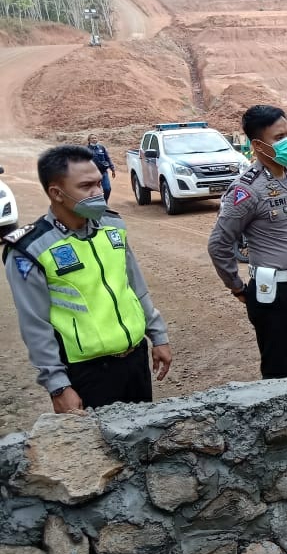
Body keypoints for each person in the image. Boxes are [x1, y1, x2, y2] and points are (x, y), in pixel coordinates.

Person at [2, 145, 172, 412]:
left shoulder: (112, 226)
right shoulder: (30, 249)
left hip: (134, 360)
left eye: (99, 181)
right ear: (56, 193)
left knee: (142, 442)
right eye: (86, 186)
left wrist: (158, 336)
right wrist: (58, 385)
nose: (98, 191)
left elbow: (135, 287)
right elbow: (35, 325)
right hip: (86, 373)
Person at [207, 105, 287, 379]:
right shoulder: (247, 189)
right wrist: (237, 287)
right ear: (258, 145)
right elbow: (219, 243)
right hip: (273, 292)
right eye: (279, 137)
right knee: (279, 368)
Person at [87, 134, 116, 202]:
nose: (94, 139)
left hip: (103, 172)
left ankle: (105, 202)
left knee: (107, 189)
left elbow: (107, 158)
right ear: (89, 140)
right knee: (93, 191)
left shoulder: (101, 148)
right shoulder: (86, 149)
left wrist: (112, 169)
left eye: (95, 138)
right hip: (92, 174)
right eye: (92, 138)